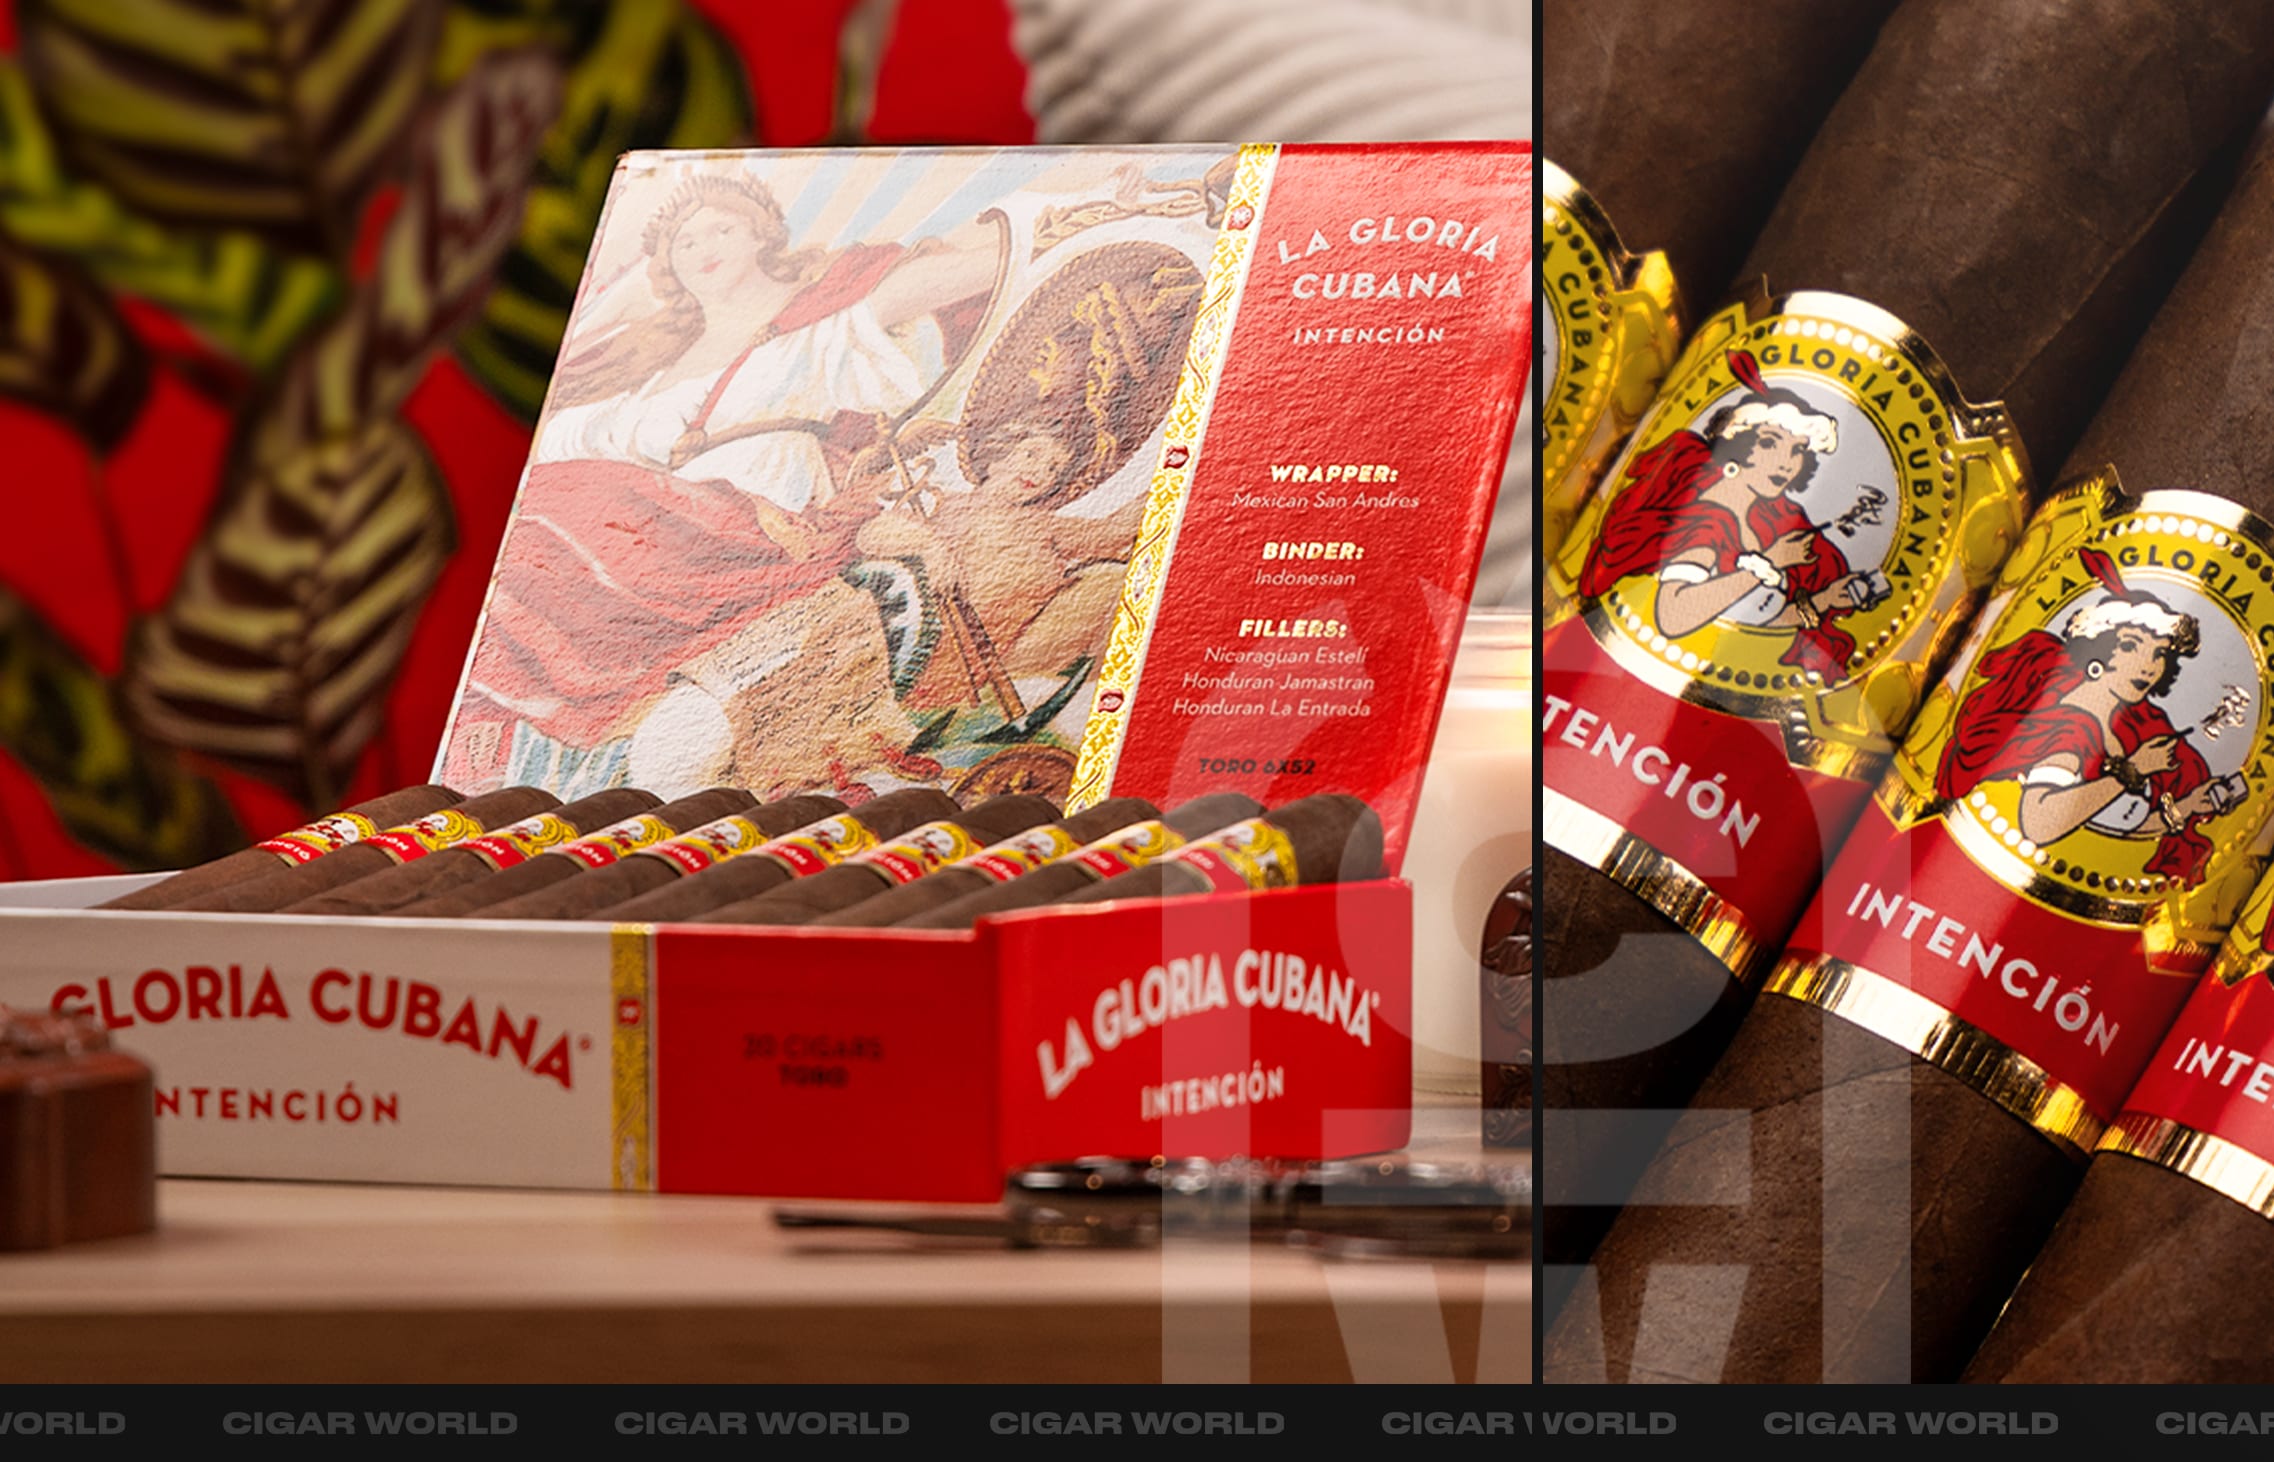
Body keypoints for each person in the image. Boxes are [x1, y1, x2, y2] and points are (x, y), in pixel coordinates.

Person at [461, 172, 1003, 783]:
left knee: (554, 520)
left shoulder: (815, 328)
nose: (703, 249)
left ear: (760, 234)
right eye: (684, 242)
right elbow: (561, 446)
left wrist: (1049, 224)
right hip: (641, 533)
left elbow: (961, 275)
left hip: (748, 531)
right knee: (531, 533)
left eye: (721, 228)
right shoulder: (643, 367)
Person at [1578, 350, 1882, 678]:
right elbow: (1674, 616)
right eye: (1770, 444)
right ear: (1738, 443)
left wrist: (1824, 600)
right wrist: (1773, 560)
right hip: (1611, 681)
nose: (1785, 463)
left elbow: (1742, 632)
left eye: (1797, 450)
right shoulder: (1709, 520)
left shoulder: (1765, 524)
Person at [1934, 547, 2231, 883]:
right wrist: (2135, 770)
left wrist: (2185, 807)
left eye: (2159, 653)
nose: (2148, 666)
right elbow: (2039, 823)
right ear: (2097, 649)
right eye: (2130, 646)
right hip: (1961, 884)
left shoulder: (2122, 733)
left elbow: (2110, 829)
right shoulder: (2072, 726)